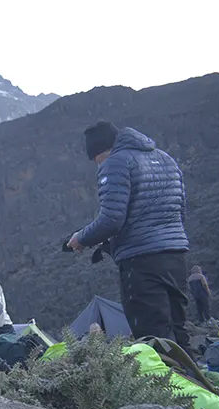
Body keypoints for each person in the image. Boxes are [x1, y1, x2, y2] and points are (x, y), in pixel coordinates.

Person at [68, 122, 191, 349]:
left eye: (96, 160)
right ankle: (191, 380)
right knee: (178, 331)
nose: (98, 167)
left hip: (142, 263)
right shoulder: (166, 159)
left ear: (101, 151)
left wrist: (81, 238)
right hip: (175, 256)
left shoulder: (116, 162)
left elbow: (111, 220)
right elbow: (180, 211)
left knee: (152, 337)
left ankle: (163, 383)